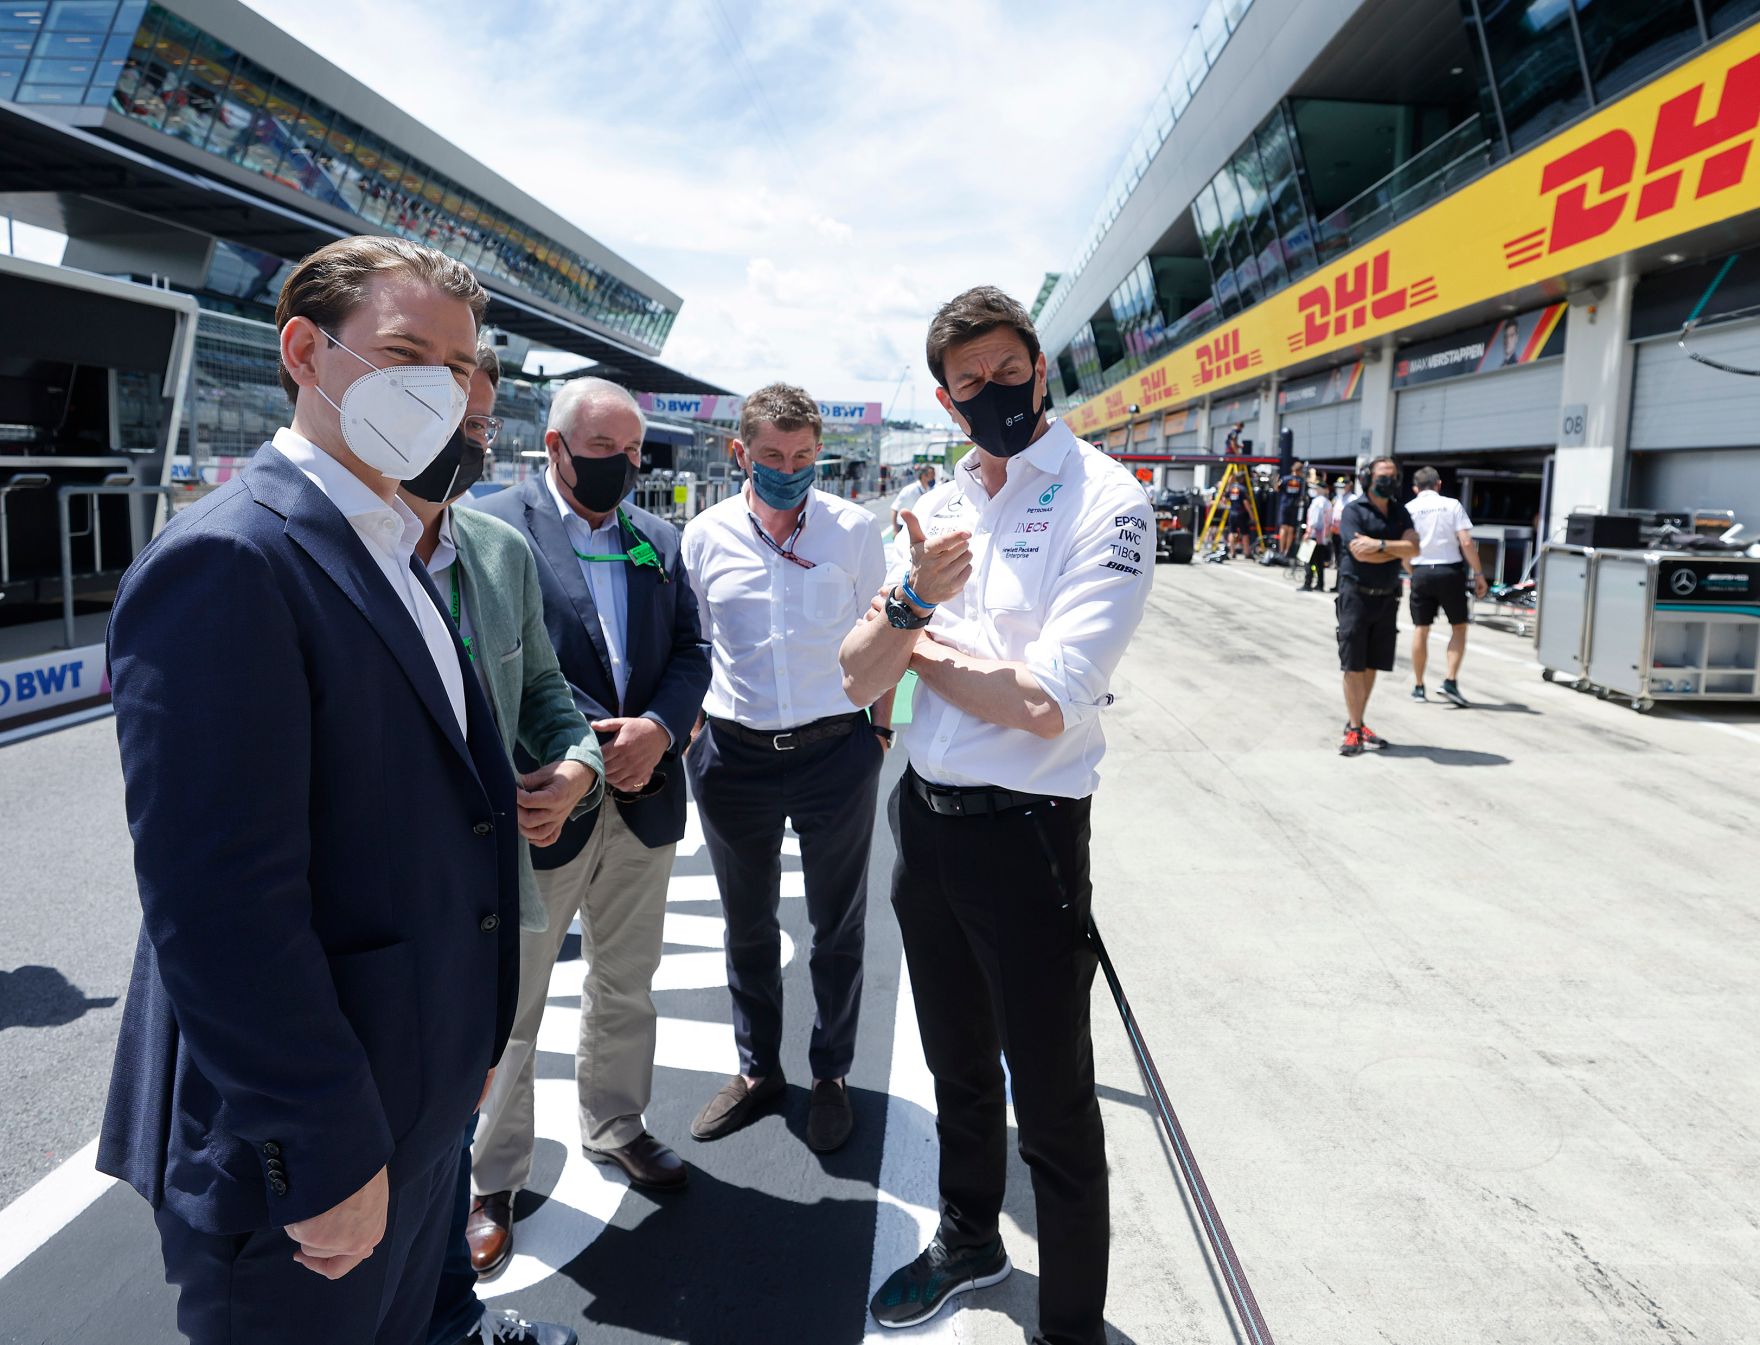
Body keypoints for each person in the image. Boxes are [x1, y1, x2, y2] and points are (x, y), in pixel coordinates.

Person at [99, 236, 522, 1344]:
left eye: (458, 366)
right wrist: (322, 1149)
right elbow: (218, 901)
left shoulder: (392, 540)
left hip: (414, 1095)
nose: (438, 389)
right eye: (402, 352)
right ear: (303, 350)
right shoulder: (229, 559)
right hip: (314, 1146)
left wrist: (465, 1044)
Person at [841, 286, 1152, 1345]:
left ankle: (1068, 1323)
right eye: (966, 382)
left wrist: (910, 628)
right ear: (943, 396)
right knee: (953, 1062)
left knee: (1054, 1103)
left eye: (1004, 371)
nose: (990, 393)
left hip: (1028, 840)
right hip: (922, 825)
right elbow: (849, 679)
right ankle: (968, 1238)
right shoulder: (938, 502)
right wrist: (913, 620)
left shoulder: (1104, 501)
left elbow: (1037, 704)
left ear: (1040, 367)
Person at [467, 379, 711, 1254]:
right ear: (558, 449)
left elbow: (691, 649)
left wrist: (658, 727)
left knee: (626, 980)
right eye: (609, 451)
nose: (629, 467)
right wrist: (585, 749)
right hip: (544, 801)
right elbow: (509, 660)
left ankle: (616, 1123)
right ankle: (493, 1179)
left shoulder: (657, 540)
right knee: (514, 1002)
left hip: (642, 803)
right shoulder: (491, 528)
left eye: (636, 451)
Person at [402, 347, 604, 1345]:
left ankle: (451, 1314)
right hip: (372, 929)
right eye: (447, 420)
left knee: (445, 1131)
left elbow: (547, 700)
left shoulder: (495, 551)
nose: (467, 443)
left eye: (481, 428)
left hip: (486, 904)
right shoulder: (293, 555)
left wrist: (575, 769)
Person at [681, 383, 891, 1153]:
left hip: (836, 750)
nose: (788, 468)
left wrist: (881, 730)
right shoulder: (702, 535)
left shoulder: (854, 529)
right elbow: (693, 643)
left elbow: (887, 626)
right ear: (740, 453)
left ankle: (831, 1071)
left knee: (837, 926)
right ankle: (758, 1067)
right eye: (771, 455)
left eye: (803, 456)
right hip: (734, 757)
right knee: (746, 925)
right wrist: (698, 730)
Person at [1336, 456, 1421, 756]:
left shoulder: (1400, 512)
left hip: (1386, 597)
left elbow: (1414, 547)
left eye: (1394, 475)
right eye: (1384, 475)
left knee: (1372, 664)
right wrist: (1394, 549)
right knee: (1353, 663)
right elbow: (1359, 554)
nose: (1390, 480)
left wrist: (1380, 545)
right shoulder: (1353, 511)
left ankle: (1356, 722)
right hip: (1355, 596)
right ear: (1367, 478)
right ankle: (1355, 730)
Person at [1404, 466, 1488, 707]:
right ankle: (1450, 680)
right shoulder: (1452, 505)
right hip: (1449, 571)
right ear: (1438, 484)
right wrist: (1479, 573)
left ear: (1415, 488)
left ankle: (1419, 687)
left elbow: (1404, 547)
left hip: (1420, 570)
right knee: (1459, 627)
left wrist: (1413, 571)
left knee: (1421, 629)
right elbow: (1466, 541)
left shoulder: (1408, 509)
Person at [1300, 479, 1333, 593]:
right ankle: (1320, 584)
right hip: (1323, 536)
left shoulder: (1318, 502)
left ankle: (1307, 583)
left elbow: (1314, 520)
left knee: (1309, 560)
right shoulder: (1327, 502)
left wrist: (1308, 533)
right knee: (1319, 561)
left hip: (1314, 534)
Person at [891, 463, 938, 533]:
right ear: (924, 476)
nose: (933, 479)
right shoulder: (909, 489)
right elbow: (894, 508)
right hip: (904, 526)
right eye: (932, 476)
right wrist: (895, 530)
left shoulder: (930, 490)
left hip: (919, 526)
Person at [1277, 458, 1307, 557]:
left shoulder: (1285, 479)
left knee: (1283, 528)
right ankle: (1286, 551)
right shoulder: (1301, 481)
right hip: (1295, 507)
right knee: (1290, 530)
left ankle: (1281, 550)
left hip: (1285, 505)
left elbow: (1277, 488)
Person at [1224, 472, 1254, 559]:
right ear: (1243, 479)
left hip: (1232, 512)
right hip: (1241, 513)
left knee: (1232, 532)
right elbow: (1245, 503)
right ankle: (1246, 552)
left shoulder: (1231, 488)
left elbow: (1225, 499)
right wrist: (1251, 514)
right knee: (1245, 533)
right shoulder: (1242, 488)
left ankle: (1232, 552)